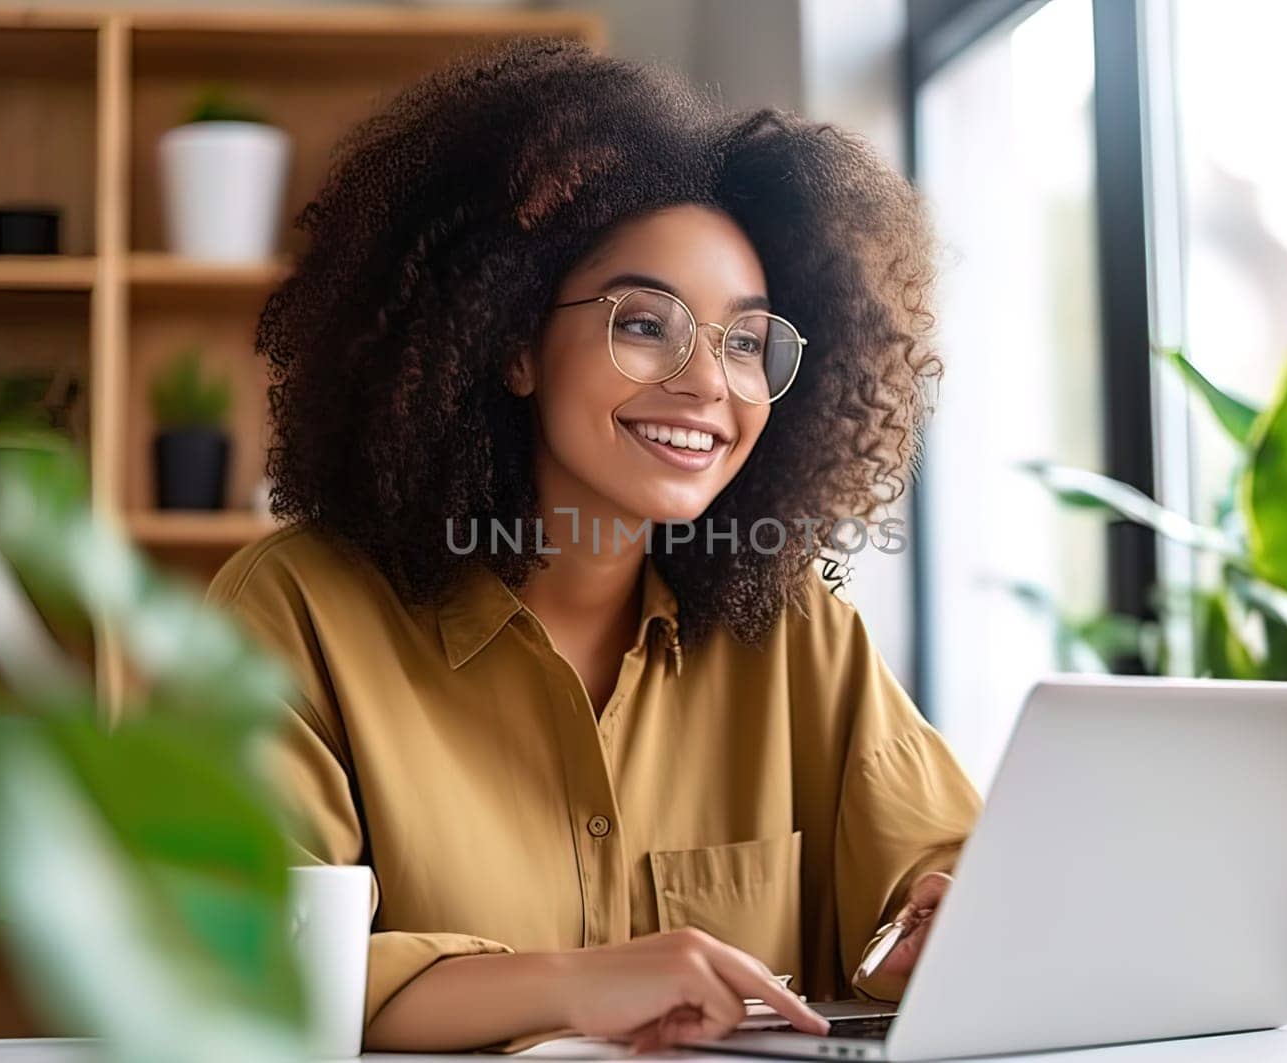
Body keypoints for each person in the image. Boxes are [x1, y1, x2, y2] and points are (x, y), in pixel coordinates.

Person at [206, 36, 981, 1054]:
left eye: (746, 340)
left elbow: (939, 874)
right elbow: (243, 965)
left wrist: (933, 922)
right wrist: (578, 985)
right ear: (514, 342)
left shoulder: (796, 624)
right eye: (647, 323)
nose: (710, 383)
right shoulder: (290, 613)